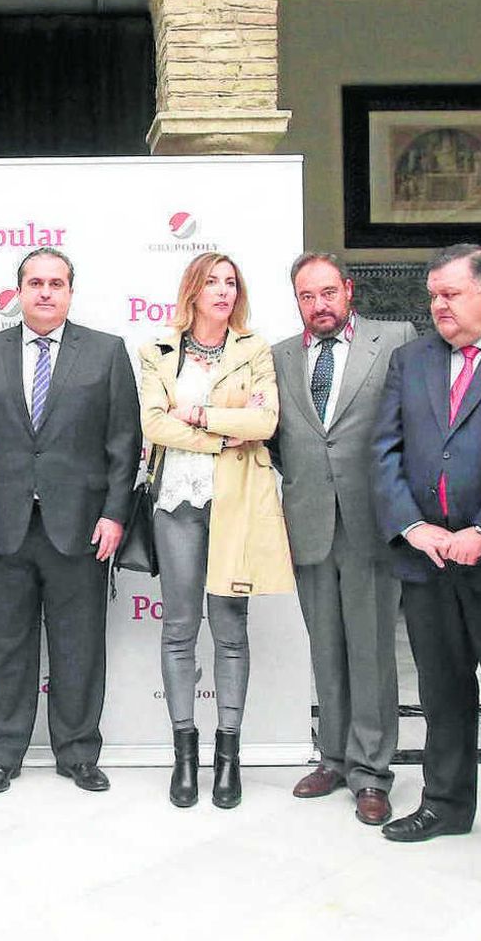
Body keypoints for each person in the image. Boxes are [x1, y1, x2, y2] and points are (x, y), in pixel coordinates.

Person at [372, 245, 481, 865]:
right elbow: (384, 452)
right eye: (433, 296)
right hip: (427, 560)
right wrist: (411, 526)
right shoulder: (411, 359)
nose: (438, 306)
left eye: (450, 294)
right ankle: (446, 803)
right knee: (442, 688)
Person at [0, 247, 139, 795]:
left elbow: (124, 441)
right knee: (5, 644)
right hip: (1, 522)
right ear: (17, 291)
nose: (44, 292)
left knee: (79, 645)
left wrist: (115, 514)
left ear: (70, 291)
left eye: (55, 283)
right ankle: (3, 755)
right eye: (34, 282)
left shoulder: (106, 352)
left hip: (81, 525)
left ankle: (78, 752)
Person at [137, 252, 290, 810]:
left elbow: (265, 422)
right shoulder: (156, 351)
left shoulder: (254, 350)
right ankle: (185, 755)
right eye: (212, 282)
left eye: (232, 282)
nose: (223, 291)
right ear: (193, 291)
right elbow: (154, 425)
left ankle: (229, 757)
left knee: (230, 628)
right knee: (179, 628)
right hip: (177, 500)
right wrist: (226, 431)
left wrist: (198, 416)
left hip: (237, 501)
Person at [270, 252, 415, 826]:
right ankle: (333, 756)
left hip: (371, 521)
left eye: (328, 292)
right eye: (307, 296)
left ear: (348, 290)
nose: (319, 305)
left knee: (371, 648)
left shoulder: (395, 339)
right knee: (325, 646)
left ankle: (372, 772)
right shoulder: (281, 355)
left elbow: (413, 420)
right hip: (309, 520)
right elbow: (282, 439)